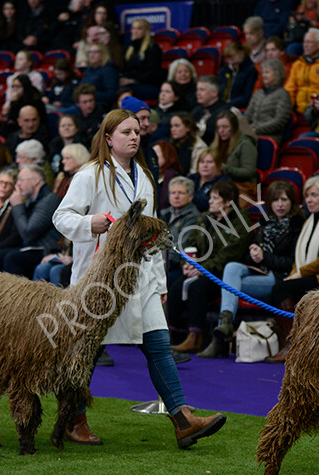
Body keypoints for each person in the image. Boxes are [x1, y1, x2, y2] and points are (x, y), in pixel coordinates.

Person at [53, 108, 228, 447]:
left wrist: (160, 284)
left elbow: (155, 235)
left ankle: (182, 418)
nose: (134, 137)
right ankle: (73, 419)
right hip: (100, 281)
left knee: (159, 344)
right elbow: (62, 218)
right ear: (108, 138)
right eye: (126, 132)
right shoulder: (89, 174)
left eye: (137, 131)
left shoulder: (145, 176)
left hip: (141, 277)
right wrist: (90, 224)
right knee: (86, 352)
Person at [199, 181, 305, 359]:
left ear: (292, 202)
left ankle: (220, 339)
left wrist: (265, 257)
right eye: (275, 200)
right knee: (231, 267)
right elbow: (249, 256)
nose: (279, 204)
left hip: (278, 277)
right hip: (257, 270)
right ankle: (225, 324)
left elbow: (292, 263)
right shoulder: (265, 222)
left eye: (284, 200)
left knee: (228, 285)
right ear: (269, 203)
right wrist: (254, 253)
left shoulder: (297, 226)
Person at [266, 174, 319, 363]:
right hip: (312, 275)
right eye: (307, 196)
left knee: (280, 289)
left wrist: (301, 273)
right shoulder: (308, 221)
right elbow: (299, 256)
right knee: (281, 286)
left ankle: (291, 345)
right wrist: (294, 274)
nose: (309, 200)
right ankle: (295, 343)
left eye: (314, 195)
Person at [167, 180, 252, 357]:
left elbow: (230, 254)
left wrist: (202, 268)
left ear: (228, 201)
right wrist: (187, 264)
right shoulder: (205, 217)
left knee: (198, 288)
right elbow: (191, 244)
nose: (210, 201)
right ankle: (169, 335)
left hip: (222, 273)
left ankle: (195, 336)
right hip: (201, 269)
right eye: (210, 198)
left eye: (215, 198)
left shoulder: (241, 220)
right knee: (175, 286)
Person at [0, 164, 61, 278]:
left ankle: (16, 295)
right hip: (30, 248)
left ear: (35, 181)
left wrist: (18, 205)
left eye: (21, 179)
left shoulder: (49, 199)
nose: (17, 184)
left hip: (45, 250)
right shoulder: (30, 200)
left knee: (12, 258)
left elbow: (28, 233)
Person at [159, 176, 200, 288]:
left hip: (176, 264)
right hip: (160, 260)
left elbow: (181, 247)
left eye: (181, 193)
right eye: (173, 193)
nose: (176, 196)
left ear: (190, 196)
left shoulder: (194, 217)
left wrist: (160, 263)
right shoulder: (163, 213)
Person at [210, 110, 257, 205]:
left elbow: (248, 172)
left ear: (234, 127)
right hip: (219, 186)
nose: (221, 131)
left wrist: (226, 169)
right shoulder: (216, 145)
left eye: (225, 127)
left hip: (242, 189)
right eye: (218, 127)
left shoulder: (246, 144)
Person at [284, 28, 319, 115]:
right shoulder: (297, 64)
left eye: (309, 42)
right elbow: (290, 89)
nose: (305, 45)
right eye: (304, 42)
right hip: (299, 111)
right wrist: (286, 108)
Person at [246, 59, 292, 143]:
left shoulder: (283, 95)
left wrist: (255, 130)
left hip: (270, 136)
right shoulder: (258, 93)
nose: (264, 75)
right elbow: (248, 116)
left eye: (267, 72)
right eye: (263, 73)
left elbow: (279, 122)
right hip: (251, 133)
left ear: (277, 74)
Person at [119, 18, 164, 101]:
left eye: (139, 28)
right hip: (132, 83)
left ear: (146, 31)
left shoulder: (153, 48)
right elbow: (127, 69)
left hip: (149, 84)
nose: (135, 31)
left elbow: (153, 72)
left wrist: (133, 80)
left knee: (124, 92)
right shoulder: (130, 48)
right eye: (133, 28)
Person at [191, 76, 229, 145]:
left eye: (202, 90)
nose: (198, 93)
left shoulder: (226, 112)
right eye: (197, 90)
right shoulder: (196, 110)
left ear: (214, 93)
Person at [80, 43, 119, 110]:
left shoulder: (108, 70)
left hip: (100, 106)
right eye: (90, 52)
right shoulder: (89, 70)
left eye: (95, 52)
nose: (91, 55)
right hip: (83, 104)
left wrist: (91, 95)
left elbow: (111, 95)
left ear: (103, 54)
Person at [218, 42, 257, 109]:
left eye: (232, 58)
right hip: (223, 106)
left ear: (241, 54)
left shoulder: (250, 70)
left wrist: (228, 104)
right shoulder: (224, 70)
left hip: (239, 107)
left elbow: (246, 97)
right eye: (228, 59)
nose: (230, 62)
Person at [169, 112, 207, 177]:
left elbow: (195, 173)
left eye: (177, 126)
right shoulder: (172, 144)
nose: (173, 129)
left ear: (188, 128)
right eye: (171, 126)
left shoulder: (199, 147)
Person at [153, 140, 184, 209]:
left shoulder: (175, 179)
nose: (152, 157)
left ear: (166, 155)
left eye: (155, 153)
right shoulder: (151, 175)